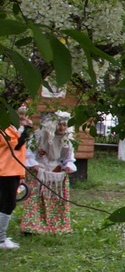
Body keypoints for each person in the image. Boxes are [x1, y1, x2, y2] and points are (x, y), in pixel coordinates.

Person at [21, 111, 77, 235]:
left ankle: (56, 226)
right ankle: (33, 227)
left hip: (55, 170)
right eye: (59, 124)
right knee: (35, 199)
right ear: (52, 124)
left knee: (55, 199)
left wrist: (67, 166)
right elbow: (29, 151)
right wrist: (33, 163)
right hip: (38, 169)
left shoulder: (67, 140)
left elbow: (68, 157)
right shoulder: (39, 135)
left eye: (64, 125)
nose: (62, 128)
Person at [0, 107, 33, 249]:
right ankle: (1, 240)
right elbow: (17, 145)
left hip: (12, 171)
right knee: (8, 204)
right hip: (5, 171)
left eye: (24, 117)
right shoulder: (5, 129)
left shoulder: (12, 129)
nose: (23, 119)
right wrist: (26, 129)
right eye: (20, 117)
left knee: (5, 203)